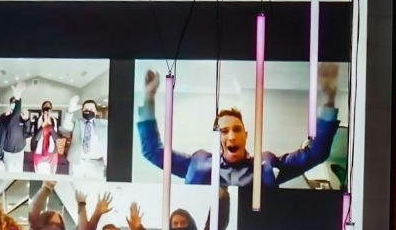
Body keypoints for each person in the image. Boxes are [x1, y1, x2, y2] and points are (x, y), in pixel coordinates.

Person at [137, 65, 341, 186]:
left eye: (236, 130)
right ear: (217, 138)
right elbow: (153, 151)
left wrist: (330, 98)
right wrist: (148, 97)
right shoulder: (196, 162)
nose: (231, 136)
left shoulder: (267, 165)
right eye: (223, 131)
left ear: (246, 135)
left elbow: (316, 153)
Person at [62, 97, 108, 179]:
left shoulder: (104, 123)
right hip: (78, 162)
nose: (88, 110)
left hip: (97, 163)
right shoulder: (77, 122)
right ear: (82, 110)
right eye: (86, 108)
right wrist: (69, 111)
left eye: (91, 108)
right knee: (76, 187)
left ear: (96, 111)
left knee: (94, 189)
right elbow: (66, 126)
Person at [29, 101, 61, 174]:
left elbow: (56, 137)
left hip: (52, 151)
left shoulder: (55, 120)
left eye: (49, 107)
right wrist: (42, 126)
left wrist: (50, 125)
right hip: (39, 150)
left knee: (52, 174)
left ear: (51, 110)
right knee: (38, 173)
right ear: (42, 109)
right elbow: (35, 137)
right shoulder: (37, 120)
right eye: (45, 107)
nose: (47, 109)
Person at [2, 98, 31, 173]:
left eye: (16, 102)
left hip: (20, 151)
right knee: (7, 171)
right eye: (13, 102)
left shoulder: (23, 116)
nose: (14, 104)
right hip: (7, 151)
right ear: (10, 104)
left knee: (19, 171)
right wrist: (6, 118)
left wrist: (27, 120)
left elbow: (27, 133)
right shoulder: (4, 115)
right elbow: (1, 132)